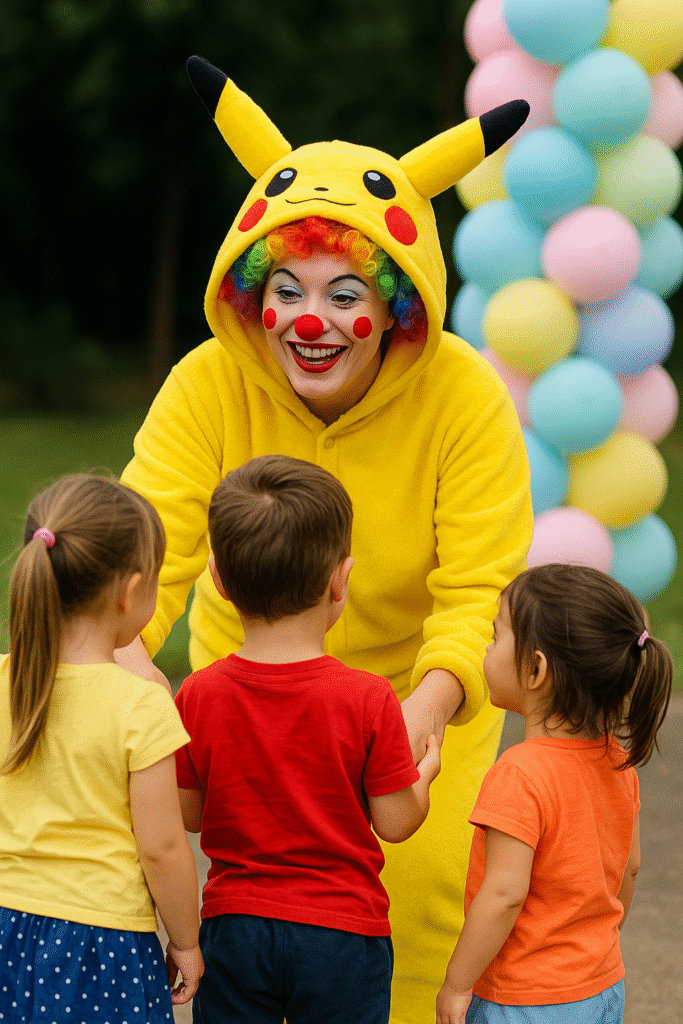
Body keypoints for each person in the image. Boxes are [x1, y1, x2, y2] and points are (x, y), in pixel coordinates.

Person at [118, 56, 534, 1022]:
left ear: (396, 303)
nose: (313, 321)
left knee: (422, 914)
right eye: (289, 288)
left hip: (411, 703)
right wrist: (146, 698)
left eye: (347, 292)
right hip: (244, 710)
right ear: (251, 286)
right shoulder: (205, 385)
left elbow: (479, 583)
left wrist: (428, 706)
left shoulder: (464, 395)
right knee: (233, 930)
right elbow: (143, 562)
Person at [174, 454, 442, 1023]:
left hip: (234, 927)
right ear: (340, 580)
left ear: (218, 580)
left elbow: (190, 814)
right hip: (341, 933)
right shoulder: (368, 699)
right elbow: (395, 823)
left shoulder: (198, 695)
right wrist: (424, 774)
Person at [0, 474, 204, 1023]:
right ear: (132, 591)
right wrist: (186, 939)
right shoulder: (141, 706)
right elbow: (162, 846)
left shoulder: (2, 682)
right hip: (99, 946)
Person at [436, 563, 673, 1024]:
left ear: (537, 668)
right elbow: (630, 868)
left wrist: (457, 982)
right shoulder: (617, 763)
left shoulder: (519, 773)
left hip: (524, 1000)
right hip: (602, 986)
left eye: (496, 634)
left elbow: (504, 892)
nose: (487, 646)